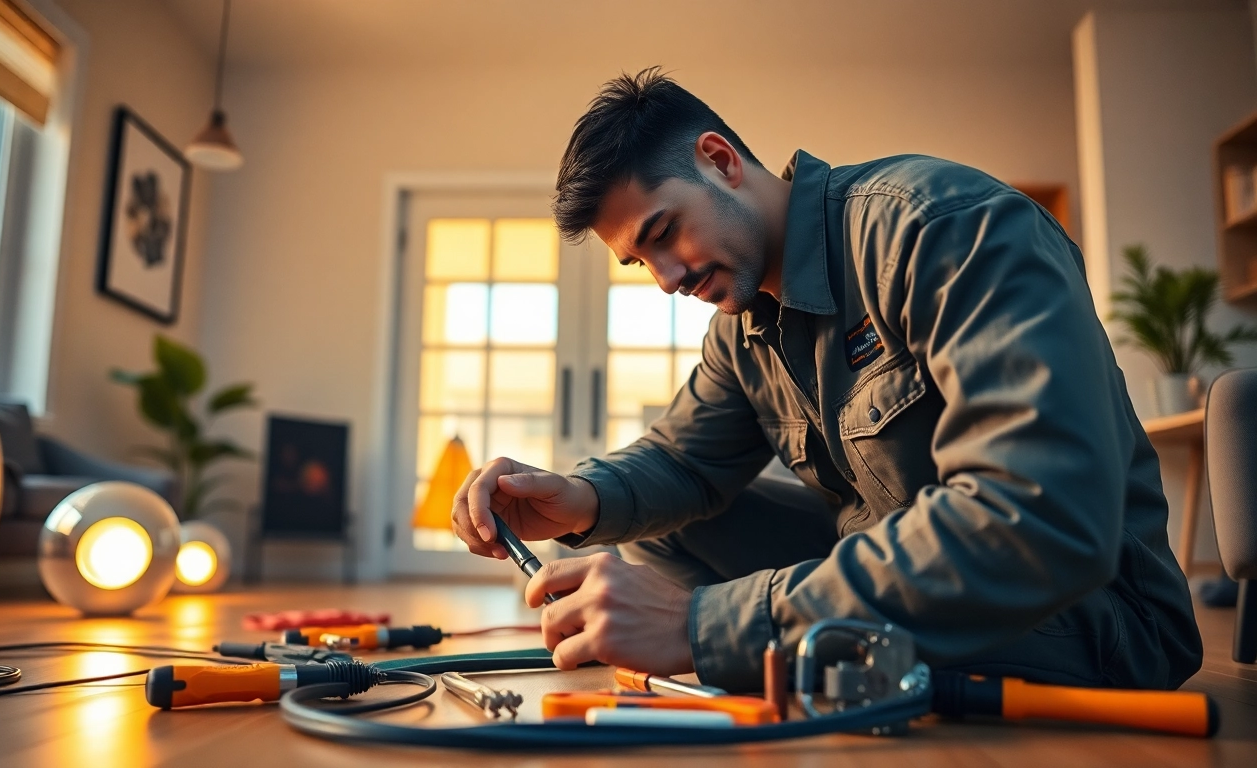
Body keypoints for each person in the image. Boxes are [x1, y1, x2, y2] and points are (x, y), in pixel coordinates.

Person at [450, 67, 1202, 692]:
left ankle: (755, 648)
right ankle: (777, 649)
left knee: (706, 613)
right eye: (640, 263)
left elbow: (1035, 517)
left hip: (1100, 616)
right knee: (667, 515)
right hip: (891, 569)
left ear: (719, 159)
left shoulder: (940, 227)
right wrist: (577, 499)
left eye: (662, 234)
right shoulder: (741, 329)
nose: (667, 279)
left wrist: (701, 625)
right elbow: (684, 462)